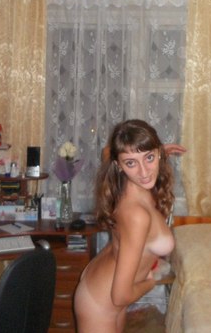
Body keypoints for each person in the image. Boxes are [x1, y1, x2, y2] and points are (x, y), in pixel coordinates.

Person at [74, 119, 185, 333]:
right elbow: (120, 295)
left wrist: (151, 152)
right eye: (131, 163)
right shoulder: (136, 215)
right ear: (119, 165)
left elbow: (108, 152)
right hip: (101, 302)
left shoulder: (126, 182)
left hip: (102, 286)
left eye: (149, 158)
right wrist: (152, 281)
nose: (144, 172)